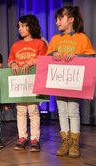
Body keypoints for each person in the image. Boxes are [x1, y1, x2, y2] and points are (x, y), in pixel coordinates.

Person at [47, 6, 95, 157]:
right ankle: (65, 141)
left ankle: (75, 143)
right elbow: (47, 58)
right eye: (56, 19)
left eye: (60, 18)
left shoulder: (82, 37)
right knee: (62, 110)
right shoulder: (55, 39)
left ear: (71, 20)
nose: (57, 22)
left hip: (74, 82)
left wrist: (76, 56)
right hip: (59, 82)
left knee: (73, 111)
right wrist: (54, 53)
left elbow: (91, 58)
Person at [8, 14, 47, 152]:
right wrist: (13, 64)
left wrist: (31, 62)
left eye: (24, 26)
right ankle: (22, 137)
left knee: (33, 111)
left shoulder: (40, 43)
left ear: (32, 26)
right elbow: (10, 59)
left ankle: (34, 139)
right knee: (20, 111)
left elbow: (44, 59)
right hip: (19, 83)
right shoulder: (15, 45)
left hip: (34, 82)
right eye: (19, 26)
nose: (20, 28)